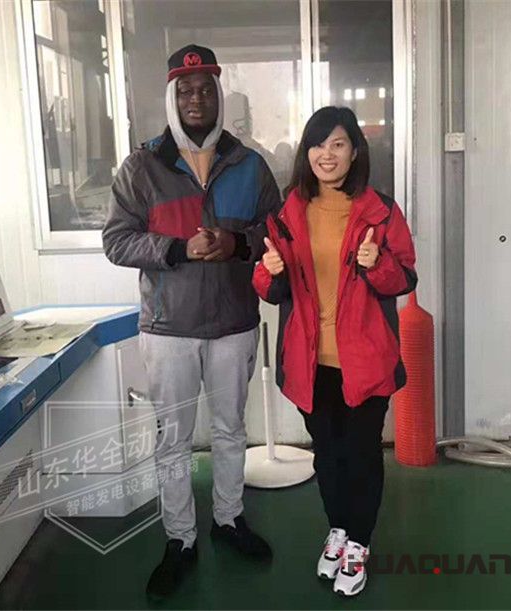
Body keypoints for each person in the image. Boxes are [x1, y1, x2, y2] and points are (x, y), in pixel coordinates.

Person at [102, 44, 280, 599]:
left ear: (219, 95)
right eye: (185, 90)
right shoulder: (142, 167)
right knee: (174, 440)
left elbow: (278, 233)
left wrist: (238, 243)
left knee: (230, 430)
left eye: (205, 89)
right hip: (168, 329)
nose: (196, 99)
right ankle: (180, 539)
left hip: (233, 323)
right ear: (171, 98)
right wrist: (176, 249)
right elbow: (116, 240)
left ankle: (228, 519)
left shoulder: (249, 165)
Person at [252, 106, 417, 597]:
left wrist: (377, 262)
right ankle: (339, 530)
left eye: (339, 144)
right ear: (306, 152)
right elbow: (269, 286)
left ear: (355, 152)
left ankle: (359, 543)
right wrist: (269, 272)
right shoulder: (287, 211)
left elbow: (405, 278)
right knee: (326, 456)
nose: (327, 154)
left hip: (365, 359)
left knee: (361, 455)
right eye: (318, 144)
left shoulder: (381, 211)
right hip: (310, 360)